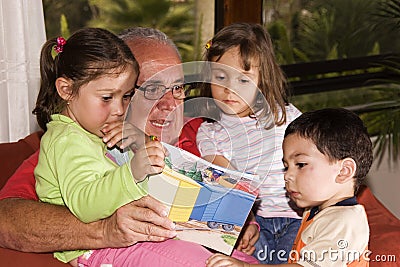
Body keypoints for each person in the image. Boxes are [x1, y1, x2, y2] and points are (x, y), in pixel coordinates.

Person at [0, 27, 257, 266]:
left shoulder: (204, 132)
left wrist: (247, 221)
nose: (170, 104)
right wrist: (103, 230)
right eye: (153, 88)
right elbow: (6, 221)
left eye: (178, 88)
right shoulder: (75, 142)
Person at [206, 107, 372, 267]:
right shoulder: (316, 211)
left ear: (344, 171)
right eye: (287, 166)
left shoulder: (345, 221)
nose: (287, 175)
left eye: (300, 164)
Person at [195, 23, 302, 263]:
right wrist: (243, 222)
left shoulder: (285, 116)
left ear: (262, 79)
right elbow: (223, 178)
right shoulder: (210, 131)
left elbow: (315, 160)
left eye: (243, 80)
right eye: (220, 77)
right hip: (255, 223)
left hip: (299, 215)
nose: (229, 89)